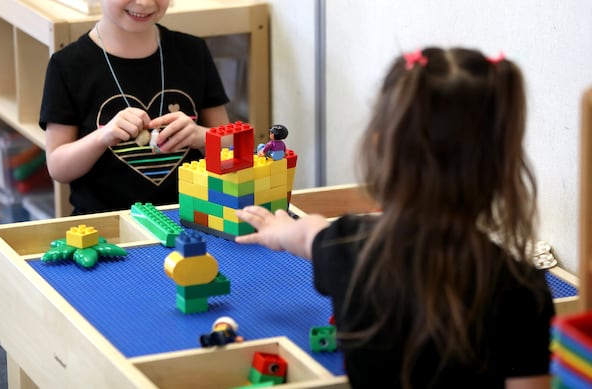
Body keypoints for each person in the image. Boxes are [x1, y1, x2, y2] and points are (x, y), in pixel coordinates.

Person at [235, 47, 554, 389]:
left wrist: (279, 230)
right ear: (501, 165)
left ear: (378, 149)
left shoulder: (347, 249)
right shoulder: (523, 291)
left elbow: (309, 233)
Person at [39, 0, 230, 215]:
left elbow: (233, 147)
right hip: (107, 233)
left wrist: (200, 137)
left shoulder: (192, 52)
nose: (145, 1)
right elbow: (58, 166)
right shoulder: (69, 67)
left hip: (190, 223)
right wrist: (104, 136)